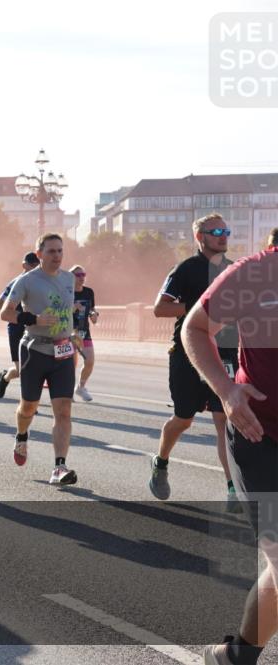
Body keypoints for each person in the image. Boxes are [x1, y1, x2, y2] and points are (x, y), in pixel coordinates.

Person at [190, 228, 278, 665]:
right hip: (260, 435)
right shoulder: (255, 274)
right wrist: (226, 391)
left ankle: (237, 655)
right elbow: (196, 327)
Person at [149, 213, 240, 511]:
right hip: (188, 354)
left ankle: (232, 490)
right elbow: (160, 308)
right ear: (200, 237)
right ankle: (161, 461)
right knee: (183, 420)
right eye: (215, 231)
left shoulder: (233, 270)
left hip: (224, 354)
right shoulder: (186, 269)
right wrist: (201, 308)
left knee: (224, 420)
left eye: (225, 231)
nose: (223, 236)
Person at [0, 233, 79, 485]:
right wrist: (33, 319)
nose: (57, 256)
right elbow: (5, 313)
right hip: (34, 350)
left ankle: (59, 467)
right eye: (52, 251)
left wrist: (73, 332)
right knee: (29, 407)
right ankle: (22, 435)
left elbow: (65, 310)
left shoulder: (69, 278)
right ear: (39, 254)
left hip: (63, 351)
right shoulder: (26, 281)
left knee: (63, 410)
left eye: (60, 251)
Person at [0, 252, 41, 398]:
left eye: (36, 265)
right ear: (24, 265)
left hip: (34, 327)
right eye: (31, 265)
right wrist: (17, 314)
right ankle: (6, 377)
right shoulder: (16, 282)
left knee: (32, 367)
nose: (34, 268)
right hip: (16, 326)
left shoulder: (42, 282)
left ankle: (28, 401)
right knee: (21, 369)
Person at [69, 265, 99, 402]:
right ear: (71, 277)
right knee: (70, 364)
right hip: (67, 332)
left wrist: (93, 314)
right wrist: (73, 308)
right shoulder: (66, 292)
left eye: (83, 274)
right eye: (78, 275)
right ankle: (67, 391)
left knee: (90, 361)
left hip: (83, 331)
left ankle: (80, 387)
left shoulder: (89, 292)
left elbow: (92, 309)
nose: (82, 277)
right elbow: (59, 311)